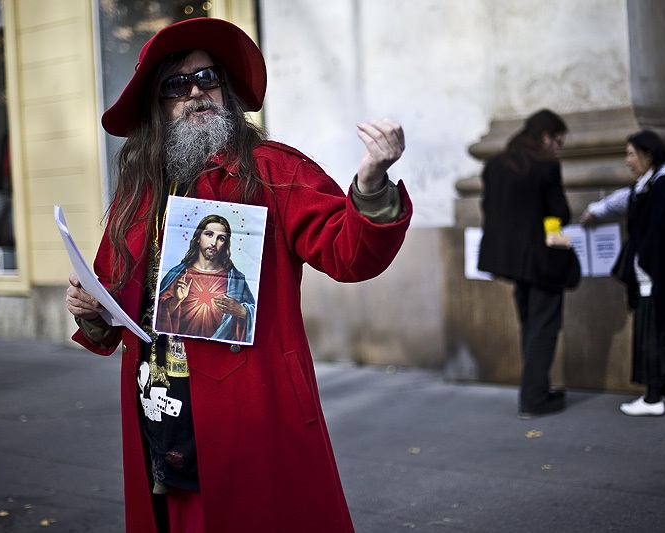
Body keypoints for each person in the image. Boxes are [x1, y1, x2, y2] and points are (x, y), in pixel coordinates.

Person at [64, 17, 411, 533]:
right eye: (177, 85)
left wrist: (372, 185)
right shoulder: (138, 194)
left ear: (225, 90)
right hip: (161, 415)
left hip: (254, 411)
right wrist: (90, 310)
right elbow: (110, 303)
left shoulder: (274, 171)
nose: (195, 92)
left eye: (207, 78)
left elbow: (349, 253)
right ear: (157, 106)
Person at [580, 130, 665, 416]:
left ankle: (652, 398)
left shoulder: (663, 186)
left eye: (631, 154)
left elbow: (659, 233)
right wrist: (597, 209)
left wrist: (643, 263)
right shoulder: (651, 184)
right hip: (659, 275)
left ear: (649, 155)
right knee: (664, 331)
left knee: (652, 336)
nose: (627, 161)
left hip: (656, 276)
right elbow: (625, 198)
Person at [477, 109, 574, 420]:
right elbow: (559, 213)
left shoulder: (495, 165)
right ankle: (534, 399)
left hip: (509, 261)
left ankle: (538, 389)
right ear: (546, 136)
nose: (558, 148)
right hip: (541, 260)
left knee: (531, 325)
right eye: (558, 141)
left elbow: (489, 209)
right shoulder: (545, 166)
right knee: (544, 327)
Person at [155, 214, 256, 342]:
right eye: (209, 234)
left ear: (226, 244)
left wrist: (242, 311)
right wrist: (176, 300)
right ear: (198, 237)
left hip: (219, 350)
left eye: (221, 238)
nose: (213, 243)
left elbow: (256, 316)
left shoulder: (236, 280)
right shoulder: (178, 274)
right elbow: (157, 314)